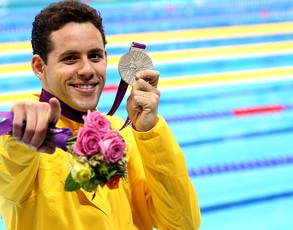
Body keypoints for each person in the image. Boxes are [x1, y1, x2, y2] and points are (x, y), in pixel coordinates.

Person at [0, 1, 201, 229]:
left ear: (106, 58)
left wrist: (149, 131)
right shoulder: (22, 138)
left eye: (95, 56)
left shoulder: (126, 134)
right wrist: (21, 131)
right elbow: (10, 164)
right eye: (70, 58)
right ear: (39, 67)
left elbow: (183, 224)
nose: (87, 70)